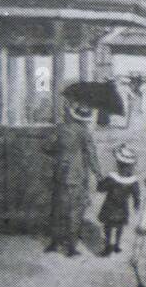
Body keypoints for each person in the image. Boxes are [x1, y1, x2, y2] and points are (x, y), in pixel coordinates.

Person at [40, 101, 102, 257]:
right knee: (74, 211)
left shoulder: (59, 129)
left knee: (57, 208)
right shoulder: (84, 132)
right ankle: (71, 247)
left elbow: (46, 147)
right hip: (77, 177)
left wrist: (59, 156)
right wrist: (98, 173)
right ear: (84, 119)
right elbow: (92, 155)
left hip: (59, 174)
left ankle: (54, 243)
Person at [97, 144, 141, 255]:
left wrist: (100, 181)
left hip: (109, 206)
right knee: (119, 227)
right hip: (122, 208)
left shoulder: (112, 178)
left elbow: (101, 189)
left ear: (118, 164)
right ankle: (116, 245)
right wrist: (136, 205)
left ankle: (107, 245)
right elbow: (136, 195)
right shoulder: (133, 181)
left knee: (108, 227)